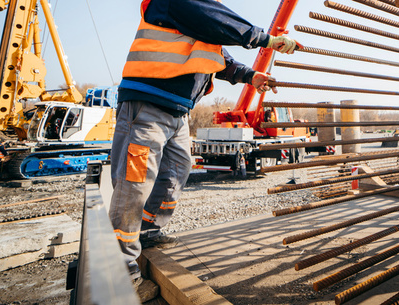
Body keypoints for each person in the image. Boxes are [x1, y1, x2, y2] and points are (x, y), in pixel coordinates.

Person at [109, 0, 299, 286]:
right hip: (146, 104)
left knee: (176, 172)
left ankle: (148, 230)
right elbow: (218, 20)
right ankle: (118, 263)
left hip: (178, 111)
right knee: (135, 182)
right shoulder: (179, 3)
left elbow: (217, 57)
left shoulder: (200, 19)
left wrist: (251, 75)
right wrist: (267, 39)